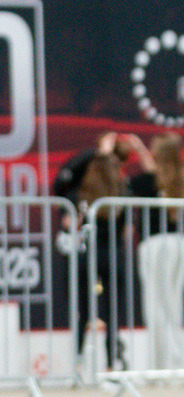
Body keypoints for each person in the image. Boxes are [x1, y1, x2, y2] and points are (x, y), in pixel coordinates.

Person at [54, 132, 145, 371]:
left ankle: (79, 364)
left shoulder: (83, 193)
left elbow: (62, 179)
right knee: (111, 312)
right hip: (107, 257)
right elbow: (127, 230)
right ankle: (110, 365)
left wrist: (96, 154)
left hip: (90, 257)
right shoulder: (118, 190)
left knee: (84, 311)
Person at [133, 132, 184, 371]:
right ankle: (176, 364)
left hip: (156, 245)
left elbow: (145, 177)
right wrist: (140, 149)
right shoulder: (179, 176)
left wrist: (137, 148)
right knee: (173, 304)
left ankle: (161, 366)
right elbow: (155, 172)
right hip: (179, 243)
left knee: (155, 305)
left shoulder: (149, 180)